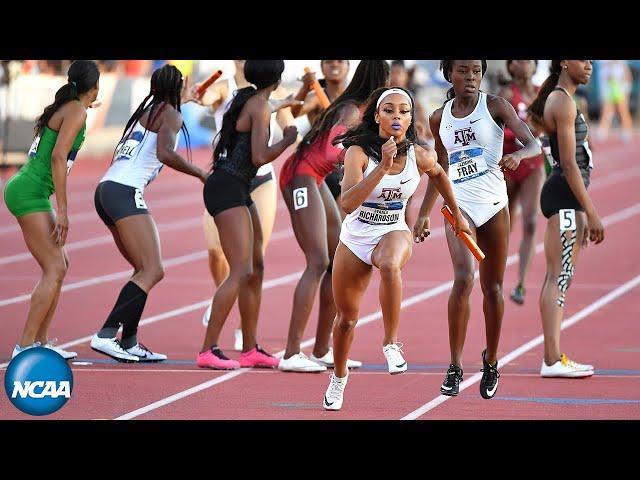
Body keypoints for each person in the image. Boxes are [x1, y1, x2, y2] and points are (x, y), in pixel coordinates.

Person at [321, 87, 471, 410]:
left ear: (410, 118)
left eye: (404, 111)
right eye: (389, 110)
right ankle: (339, 377)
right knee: (346, 320)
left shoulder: (419, 154)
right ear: (377, 116)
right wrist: (382, 165)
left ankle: (391, 343)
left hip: (393, 230)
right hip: (356, 238)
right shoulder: (358, 153)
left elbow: (440, 174)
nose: (397, 117)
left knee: (390, 264)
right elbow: (347, 203)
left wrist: (454, 215)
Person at [414, 60, 541, 399]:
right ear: (449, 74)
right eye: (463, 71)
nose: (470, 78)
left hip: (494, 206)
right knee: (463, 278)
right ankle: (454, 365)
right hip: (459, 206)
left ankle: (492, 361)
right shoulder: (439, 117)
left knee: (494, 288)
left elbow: (533, 144)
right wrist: (425, 213)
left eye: (475, 71)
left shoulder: (496, 106)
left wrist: (519, 156)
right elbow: (439, 167)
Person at [90, 64, 208, 362]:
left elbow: (165, 120)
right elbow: (165, 154)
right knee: (153, 270)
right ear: (176, 88)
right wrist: (199, 174)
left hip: (106, 189)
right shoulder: (170, 114)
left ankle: (128, 341)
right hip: (125, 192)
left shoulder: (152, 109)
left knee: (143, 269)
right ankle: (106, 334)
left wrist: (186, 98)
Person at [277, 60, 390, 373]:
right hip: (301, 175)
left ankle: (322, 348)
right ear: (380, 82)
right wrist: (356, 156)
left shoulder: (359, 110)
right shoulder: (352, 111)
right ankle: (290, 354)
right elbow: (329, 152)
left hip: (314, 177)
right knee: (316, 261)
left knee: (334, 260)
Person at [198, 60, 298, 370]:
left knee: (256, 266)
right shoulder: (258, 105)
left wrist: (291, 101)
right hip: (227, 187)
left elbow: (272, 104)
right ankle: (208, 349)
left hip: (234, 185)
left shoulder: (248, 97)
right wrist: (287, 139)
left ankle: (250, 347)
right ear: (278, 77)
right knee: (240, 270)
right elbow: (259, 156)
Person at [3, 60, 100, 360]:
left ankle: (40, 343)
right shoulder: (76, 111)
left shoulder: (70, 108)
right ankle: (25, 346)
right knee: (54, 267)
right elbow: (59, 157)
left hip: (29, 187)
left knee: (60, 265)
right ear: (95, 87)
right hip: (30, 191)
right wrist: (64, 210)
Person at [528, 60, 604, 378]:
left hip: (566, 197)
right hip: (565, 195)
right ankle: (551, 359)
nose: (588, 66)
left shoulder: (564, 99)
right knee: (559, 276)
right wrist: (591, 212)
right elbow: (570, 165)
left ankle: (553, 357)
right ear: (563, 63)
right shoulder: (561, 100)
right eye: (583, 60)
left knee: (560, 276)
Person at [498, 60, 546, 305]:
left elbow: (550, 124)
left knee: (530, 221)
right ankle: (496, 275)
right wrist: (521, 132)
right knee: (503, 224)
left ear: (536, 66)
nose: (524, 64)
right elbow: (496, 126)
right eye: (518, 60)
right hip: (508, 164)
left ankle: (521, 284)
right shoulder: (506, 94)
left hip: (533, 166)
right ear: (511, 66)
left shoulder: (541, 93)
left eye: (529, 60)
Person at [290, 60, 351, 210]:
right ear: (322, 68)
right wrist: (305, 87)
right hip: (322, 170)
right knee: (329, 226)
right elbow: (294, 112)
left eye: (340, 61)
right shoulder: (316, 97)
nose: (334, 65)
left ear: (348, 66)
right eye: (329, 62)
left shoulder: (357, 98)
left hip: (350, 167)